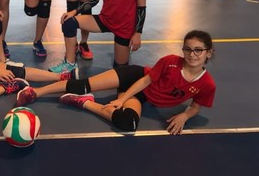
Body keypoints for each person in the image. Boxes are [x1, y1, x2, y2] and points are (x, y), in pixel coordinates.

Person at [16, 30, 216, 136]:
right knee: (83, 85)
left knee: (128, 123)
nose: (192, 54)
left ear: (208, 53)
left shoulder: (207, 84)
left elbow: (195, 106)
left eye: (198, 50)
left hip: (141, 96)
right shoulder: (170, 61)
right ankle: (37, 91)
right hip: (134, 77)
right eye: (188, 49)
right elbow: (145, 80)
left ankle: (84, 102)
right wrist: (122, 99)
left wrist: (184, 115)